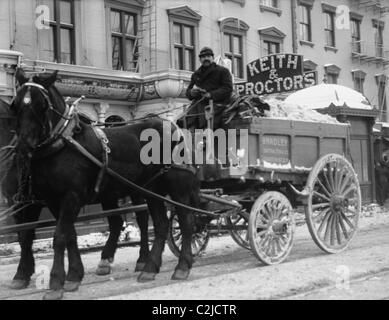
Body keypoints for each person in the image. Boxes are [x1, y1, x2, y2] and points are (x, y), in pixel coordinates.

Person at [183, 47, 233, 130]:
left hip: (217, 104)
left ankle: (208, 137)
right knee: (184, 120)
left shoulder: (223, 71)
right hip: (197, 105)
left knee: (209, 121)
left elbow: (227, 88)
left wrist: (210, 94)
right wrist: (191, 93)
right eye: (203, 57)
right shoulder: (196, 74)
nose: (206, 58)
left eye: (208, 56)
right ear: (200, 59)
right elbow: (188, 92)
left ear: (212, 58)